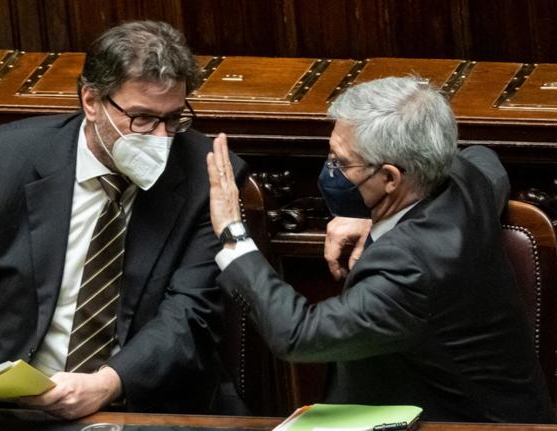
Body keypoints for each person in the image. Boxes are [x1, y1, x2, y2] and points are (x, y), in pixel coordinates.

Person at [0, 20, 246, 419]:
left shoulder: (206, 175)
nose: (161, 137)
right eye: (142, 119)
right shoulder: (7, 158)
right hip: (4, 408)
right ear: (91, 101)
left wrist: (107, 383)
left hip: (139, 407)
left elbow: (191, 314)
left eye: (174, 118)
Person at [206, 76, 555, 422]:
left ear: (390, 178)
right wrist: (374, 220)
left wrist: (233, 235)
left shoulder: (411, 268)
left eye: (341, 162)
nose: (330, 170)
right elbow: (485, 158)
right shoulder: (464, 179)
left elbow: (299, 335)